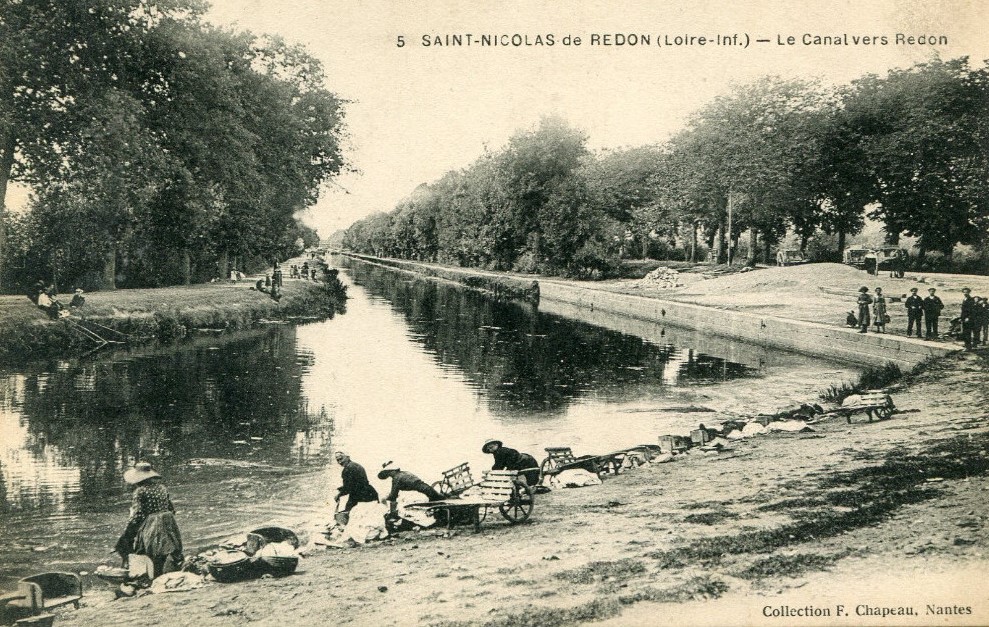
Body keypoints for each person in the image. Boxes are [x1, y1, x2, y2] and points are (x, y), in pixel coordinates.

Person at [115, 462, 183, 579]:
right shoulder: (162, 488)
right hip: (167, 521)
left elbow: (138, 514)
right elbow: (171, 508)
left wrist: (130, 526)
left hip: (153, 523)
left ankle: (150, 576)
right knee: (162, 551)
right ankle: (160, 572)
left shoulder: (140, 491)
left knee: (147, 551)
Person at [377, 462, 444, 509]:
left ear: (392, 471)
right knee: (438, 497)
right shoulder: (405, 473)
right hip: (425, 488)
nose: (389, 475)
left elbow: (393, 495)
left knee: (437, 500)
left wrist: (385, 499)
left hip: (423, 489)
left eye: (389, 473)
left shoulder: (397, 478)